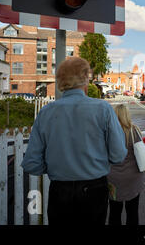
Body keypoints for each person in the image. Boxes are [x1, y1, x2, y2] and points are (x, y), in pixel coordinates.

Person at [21, 57, 127, 225]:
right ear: (85, 78)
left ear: (60, 81)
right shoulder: (102, 109)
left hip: (59, 190)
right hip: (94, 190)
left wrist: (59, 166)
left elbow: (31, 164)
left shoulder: (46, 112)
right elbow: (119, 154)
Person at [107, 104, 145, 225]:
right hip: (133, 178)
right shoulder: (134, 131)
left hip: (113, 179)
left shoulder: (108, 132)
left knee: (114, 212)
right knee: (132, 212)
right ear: (127, 115)